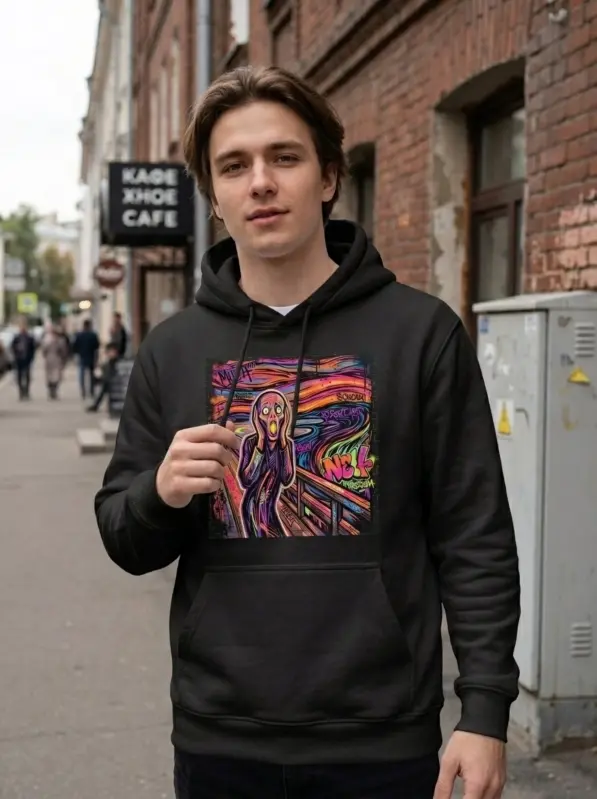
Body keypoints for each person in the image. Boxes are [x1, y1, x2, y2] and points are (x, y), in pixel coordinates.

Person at [94, 66, 520, 799]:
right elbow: (125, 540)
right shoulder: (172, 349)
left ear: (327, 177)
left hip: (382, 737)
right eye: (234, 166)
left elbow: (473, 533)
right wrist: (158, 493)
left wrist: (484, 713)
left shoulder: (420, 334)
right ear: (215, 197)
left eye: (283, 157)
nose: (260, 182)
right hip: (220, 736)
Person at [86, 342, 119, 413]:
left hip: (114, 382)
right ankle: (96, 405)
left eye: (112, 352)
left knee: (106, 391)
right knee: (103, 391)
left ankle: (98, 405)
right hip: (108, 381)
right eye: (109, 352)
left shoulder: (117, 363)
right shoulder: (108, 363)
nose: (111, 354)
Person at [72, 319, 100, 399]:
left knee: (82, 375)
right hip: (91, 357)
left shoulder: (79, 335)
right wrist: (96, 358)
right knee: (91, 375)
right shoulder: (93, 335)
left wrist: (77, 353)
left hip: (82, 357)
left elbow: (75, 346)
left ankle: (83, 390)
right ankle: (91, 391)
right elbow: (97, 346)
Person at [40, 322, 69, 400]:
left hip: (55, 359)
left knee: (56, 376)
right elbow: (44, 350)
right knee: (51, 376)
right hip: (51, 360)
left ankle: (54, 390)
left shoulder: (59, 340)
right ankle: (52, 390)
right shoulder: (47, 340)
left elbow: (63, 350)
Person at [10, 318, 36, 400]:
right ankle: (21, 392)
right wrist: (15, 355)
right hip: (19, 360)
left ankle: (26, 391)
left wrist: (31, 357)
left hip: (27, 360)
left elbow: (33, 348)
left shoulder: (29, 337)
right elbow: (12, 347)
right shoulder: (17, 338)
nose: (23, 328)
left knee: (27, 376)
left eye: (24, 327)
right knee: (19, 376)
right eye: (21, 327)